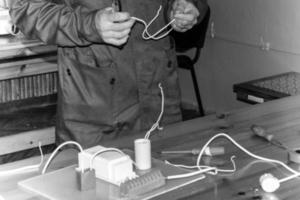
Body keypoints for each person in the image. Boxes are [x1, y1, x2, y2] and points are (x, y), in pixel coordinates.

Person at [10, 0, 208, 148]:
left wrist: (183, 8)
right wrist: (88, 25)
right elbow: (25, 8)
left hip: (160, 102)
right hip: (95, 109)